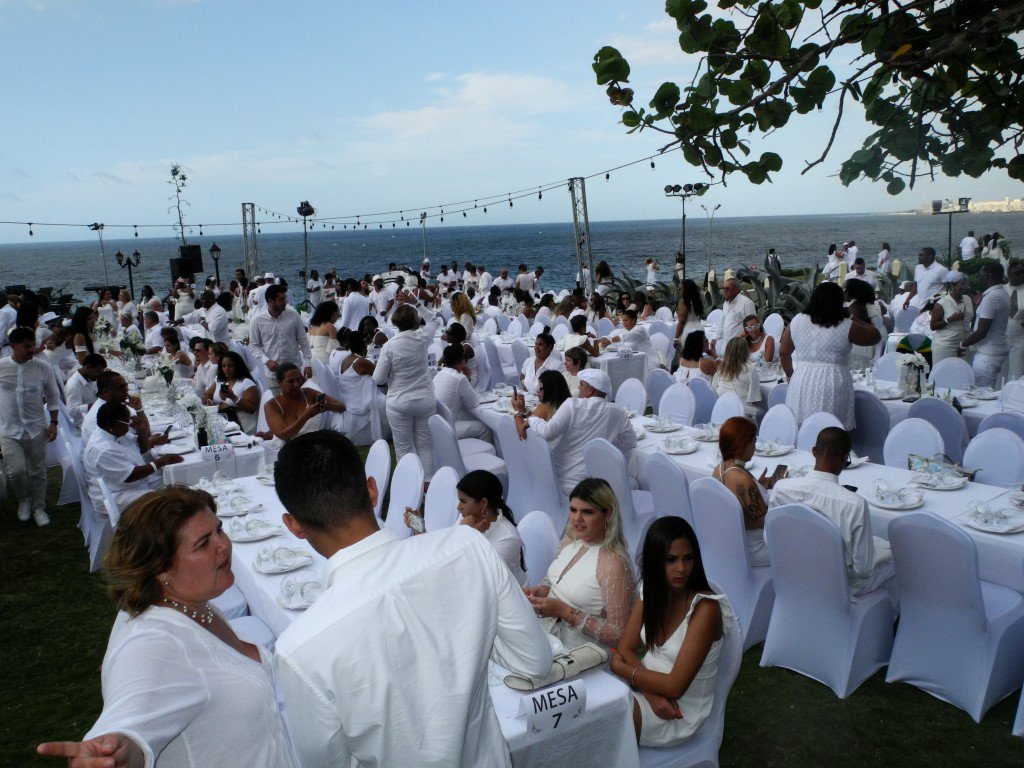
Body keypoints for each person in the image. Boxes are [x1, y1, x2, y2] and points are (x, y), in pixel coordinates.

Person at [271, 431, 551, 767]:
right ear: (372, 490)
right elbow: (533, 661)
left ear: (294, 526)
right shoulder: (469, 546)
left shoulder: (299, 648)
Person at [37, 487, 298, 768]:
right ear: (160, 568)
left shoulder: (192, 606)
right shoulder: (152, 644)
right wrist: (118, 751)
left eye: (219, 530)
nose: (224, 545)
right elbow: (129, 720)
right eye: (203, 543)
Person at [610, 516, 734, 746]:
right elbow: (626, 646)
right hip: (650, 693)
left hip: (677, 712)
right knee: (585, 710)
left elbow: (675, 687)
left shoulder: (705, 610)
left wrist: (622, 669)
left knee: (601, 721)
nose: (682, 569)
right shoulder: (652, 591)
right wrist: (649, 693)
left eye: (688, 558)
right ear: (655, 561)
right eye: (671, 560)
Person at [769, 427, 895, 599]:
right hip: (839, 585)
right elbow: (863, 570)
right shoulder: (854, 504)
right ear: (845, 457)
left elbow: (770, 539)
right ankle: (892, 621)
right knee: (899, 560)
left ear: (814, 451)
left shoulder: (781, 489)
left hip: (793, 572)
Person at [524, 477, 636, 650]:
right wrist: (540, 591)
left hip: (578, 651)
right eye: (573, 510)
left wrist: (567, 613)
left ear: (608, 514)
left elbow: (621, 635)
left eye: (587, 512)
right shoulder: (571, 538)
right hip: (543, 632)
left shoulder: (614, 564)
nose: (577, 519)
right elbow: (553, 578)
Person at [514, 368, 637, 496]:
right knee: (632, 482)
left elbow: (547, 432)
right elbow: (630, 443)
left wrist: (532, 420)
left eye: (581, 384)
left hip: (561, 481)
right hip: (594, 485)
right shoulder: (619, 412)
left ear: (590, 390)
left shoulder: (572, 405)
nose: (578, 388)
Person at [780, 282, 880, 429]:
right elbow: (875, 335)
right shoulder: (845, 325)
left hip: (801, 379)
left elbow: (783, 352)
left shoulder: (797, 321)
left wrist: (789, 374)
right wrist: (851, 316)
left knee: (801, 428)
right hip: (832, 382)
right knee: (830, 430)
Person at [0, 327, 61, 525]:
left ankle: (39, 508)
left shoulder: (44, 368)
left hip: (36, 427)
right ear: (13, 347)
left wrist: (53, 422)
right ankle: (23, 500)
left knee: (38, 470)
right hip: (8, 429)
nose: (31, 349)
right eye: (26, 346)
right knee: (16, 471)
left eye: (33, 345)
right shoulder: (1, 366)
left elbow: (53, 396)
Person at [373, 303, 439, 473]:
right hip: (425, 399)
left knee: (404, 450)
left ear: (396, 322)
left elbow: (378, 379)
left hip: (399, 402)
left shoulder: (389, 346)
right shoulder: (422, 338)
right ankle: (427, 488)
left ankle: (409, 488)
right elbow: (433, 319)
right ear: (415, 321)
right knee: (425, 446)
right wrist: (418, 303)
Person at [84, 401, 183, 510]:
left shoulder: (113, 432)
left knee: (178, 479)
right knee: (162, 502)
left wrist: (141, 429)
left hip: (134, 484)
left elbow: (142, 448)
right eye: (127, 421)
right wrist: (160, 462)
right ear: (112, 424)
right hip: (118, 493)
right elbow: (130, 476)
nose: (130, 424)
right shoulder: (102, 449)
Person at [710, 416, 773, 566]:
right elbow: (765, 523)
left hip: (731, 544)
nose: (755, 448)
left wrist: (760, 487)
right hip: (756, 550)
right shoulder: (742, 479)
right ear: (742, 445)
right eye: (753, 443)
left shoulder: (718, 470)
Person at [452, 469, 527, 585]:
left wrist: (467, 533)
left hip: (509, 596)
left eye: (463, 501)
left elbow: (476, 573)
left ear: (483, 503)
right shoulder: (466, 518)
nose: (458, 507)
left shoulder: (508, 537)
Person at [264, 363, 344, 456]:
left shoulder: (308, 393)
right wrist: (306, 415)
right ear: (279, 382)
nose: (297, 384)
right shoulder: (271, 405)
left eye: (298, 379)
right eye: (291, 381)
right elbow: (284, 435)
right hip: (287, 451)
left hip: (314, 447)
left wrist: (327, 406)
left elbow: (341, 406)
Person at [249, 284, 312, 391]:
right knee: (278, 405)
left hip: (294, 371)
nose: (285, 302)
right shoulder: (257, 320)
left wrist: (308, 364)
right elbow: (254, 346)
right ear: (270, 301)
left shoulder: (293, 315)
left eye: (285, 298)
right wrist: (267, 361)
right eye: (281, 299)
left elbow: (303, 340)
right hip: (274, 375)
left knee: (298, 404)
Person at [959, 261, 1010, 387]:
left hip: (988, 354)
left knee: (982, 393)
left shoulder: (992, 297)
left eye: (980, 274)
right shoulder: (1002, 293)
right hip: (994, 349)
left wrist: (962, 344)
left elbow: (982, 332)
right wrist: (977, 304)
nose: (979, 277)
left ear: (988, 276)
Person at [433, 343, 490, 440]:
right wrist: (467, 377)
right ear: (462, 361)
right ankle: (484, 453)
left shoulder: (440, 373)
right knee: (484, 428)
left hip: (436, 425)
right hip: (448, 428)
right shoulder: (459, 378)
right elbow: (474, 403)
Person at [204, 351, 261, 434]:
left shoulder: (247, 383)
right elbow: (206, 394)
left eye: (230, 366)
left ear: (238, 366)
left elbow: (252, 409)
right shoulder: (219, 380)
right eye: (223, 366)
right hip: (222, 424)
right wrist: (208, 401)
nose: (226, 369)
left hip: (242, 426)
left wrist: (234, 398)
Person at [929, 271, 974, 366]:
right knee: (942, 372)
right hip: (945, 345)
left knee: (962, 372)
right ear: (952, 286)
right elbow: (933, 326)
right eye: (961, 284)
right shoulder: (941, 303)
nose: (964, 287)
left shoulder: (968, 299)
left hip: (963, 343)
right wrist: (949, 319)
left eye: (965, 284)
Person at [711, 337, 762, 416]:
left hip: (721, 409)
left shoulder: (721, 369)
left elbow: (713, 392)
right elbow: (754, 398)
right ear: (745, 351)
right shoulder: (750, 369)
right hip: (741, 412)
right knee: (762, 411)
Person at [845, 278, 885, 371]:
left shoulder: (856, 308)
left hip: (862, 355)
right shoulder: (868, 306)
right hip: (875, 349)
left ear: (852, 292)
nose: (844, 292)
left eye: (845, 290)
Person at [65, 353, 107, 430]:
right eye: (97, 372)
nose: (99, 376)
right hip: (85, 422)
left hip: (96, 414)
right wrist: (92, 406)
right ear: (88, 367)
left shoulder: (90, 376)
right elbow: (72, 410)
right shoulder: (74, 385)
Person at [715, 278, 757, 352]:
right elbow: (722, 322)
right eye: (723, 288)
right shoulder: (726, 303)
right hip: (726, 344)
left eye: (727, 288)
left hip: (738, 346)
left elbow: (752, 326)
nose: (724, 291)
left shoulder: (746, 303)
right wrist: (714, 339)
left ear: (736, 289)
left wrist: (743, 338)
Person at [306, 300, 340, 365]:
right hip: (323, 359)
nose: (337, 316)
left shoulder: (312, 327)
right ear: (332, 314)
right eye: (337, 313)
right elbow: (334, 348)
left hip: (311, 358)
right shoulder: (330, 326)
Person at [674, 279, 704, 350]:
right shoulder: (696, 301)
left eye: (680, 288)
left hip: (688, 332)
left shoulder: (684, 302)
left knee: (688, 358)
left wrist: (676, 338)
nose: (678, 290)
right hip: (699, 329)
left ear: (686, 289)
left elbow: (682, 321)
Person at [1006, 263, 1024, 380]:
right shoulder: (1001, 289)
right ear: (1009, 274)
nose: (1021, 276)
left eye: (1023, 273)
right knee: (999, 375)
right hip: (1001, 338)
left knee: (1016, 375)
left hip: (1020, 339)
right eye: (1017, 274)